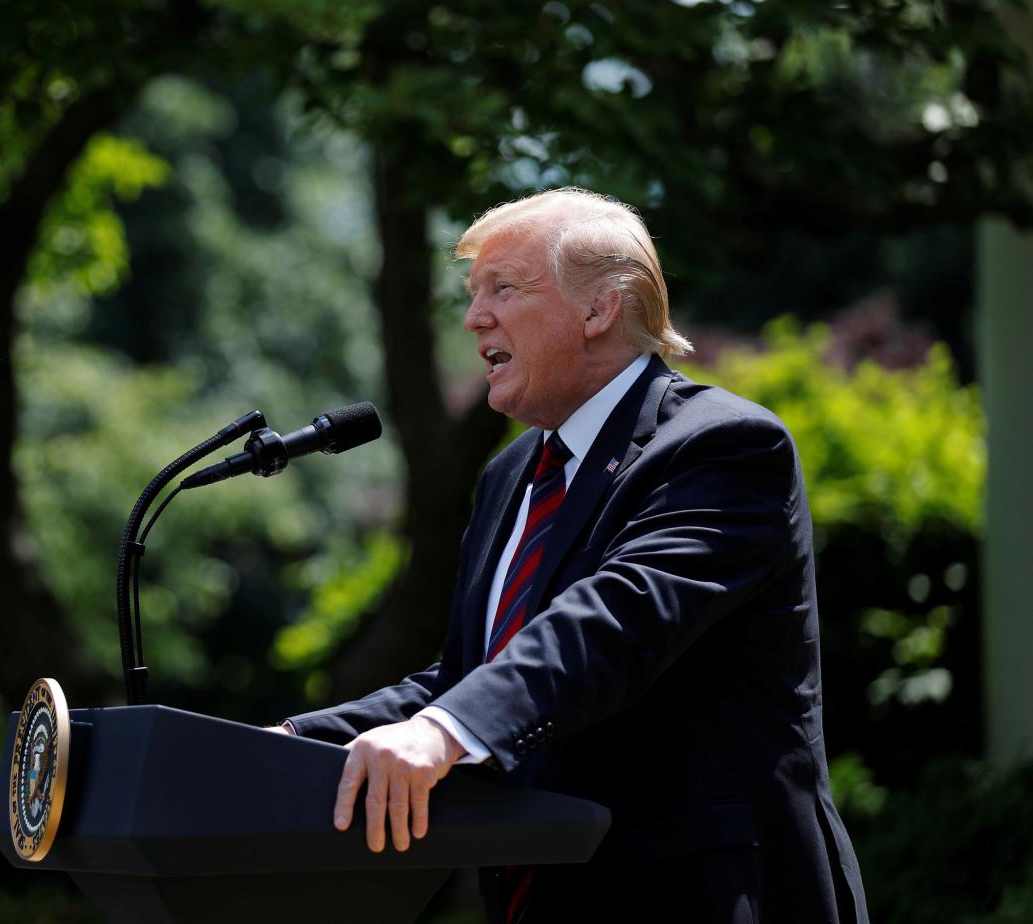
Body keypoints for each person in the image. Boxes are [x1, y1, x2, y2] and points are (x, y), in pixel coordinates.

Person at [273, 188, 869, 922]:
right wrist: (290, 744)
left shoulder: (723, 447)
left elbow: (610, 624)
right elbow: (476, 676)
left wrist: (439, 733)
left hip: (707, 899)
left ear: (599, 310)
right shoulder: (508, 477)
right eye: (471, 294)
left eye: (503, 289)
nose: (473, 317)